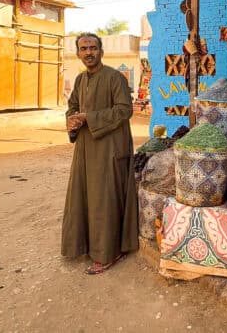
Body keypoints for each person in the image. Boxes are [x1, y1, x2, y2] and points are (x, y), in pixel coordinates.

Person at [62, 32, 138, 274]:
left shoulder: (114, 78)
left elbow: (125, 110)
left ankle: (108, 253)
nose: (88, 53)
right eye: (83, 49)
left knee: (104, 200)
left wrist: (89, 118)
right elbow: (73, 106)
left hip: (110, 148)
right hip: (85, 148)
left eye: (92, 48)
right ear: (78, 53)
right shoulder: (80, 80)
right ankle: (85, 245)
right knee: (84, 197)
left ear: (101, 51)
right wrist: (71, 121)